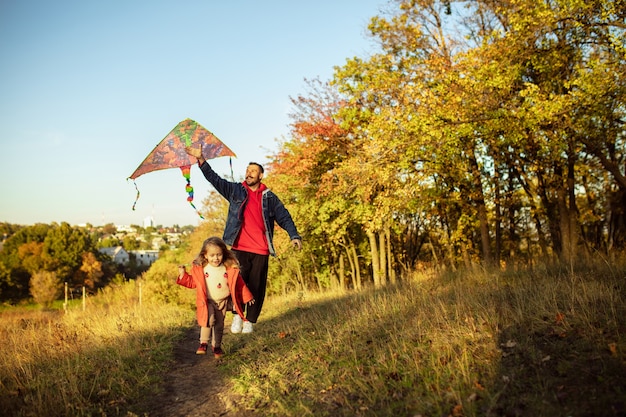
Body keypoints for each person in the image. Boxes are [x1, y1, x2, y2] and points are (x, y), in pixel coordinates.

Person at [185, 146, 302, 334]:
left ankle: (250, 320)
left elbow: (284, 216)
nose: (249, 174)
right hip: (239, 246)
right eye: (247, 171)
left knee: (256, 287)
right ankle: (238, 316)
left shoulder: (269, 197)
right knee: (237, 284)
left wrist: (294, 235)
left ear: (261, 175)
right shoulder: (235, 191)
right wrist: (201, 160)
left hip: (261, 249)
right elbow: (215, 180)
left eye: (253, 171)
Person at [177, 236, 254, 358]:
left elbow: (239, 284)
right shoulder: (202, 269)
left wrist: (247, 296)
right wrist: (183, 275)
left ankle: (216, 346)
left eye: (219, 255)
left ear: (223, 254)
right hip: (207, 301)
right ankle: (203, 343)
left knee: (219, 325)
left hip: (222, 302)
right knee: (209, 319)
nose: (216, 258)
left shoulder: (228, 268)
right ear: (205, 255)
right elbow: (192, 282)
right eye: (212, 255)